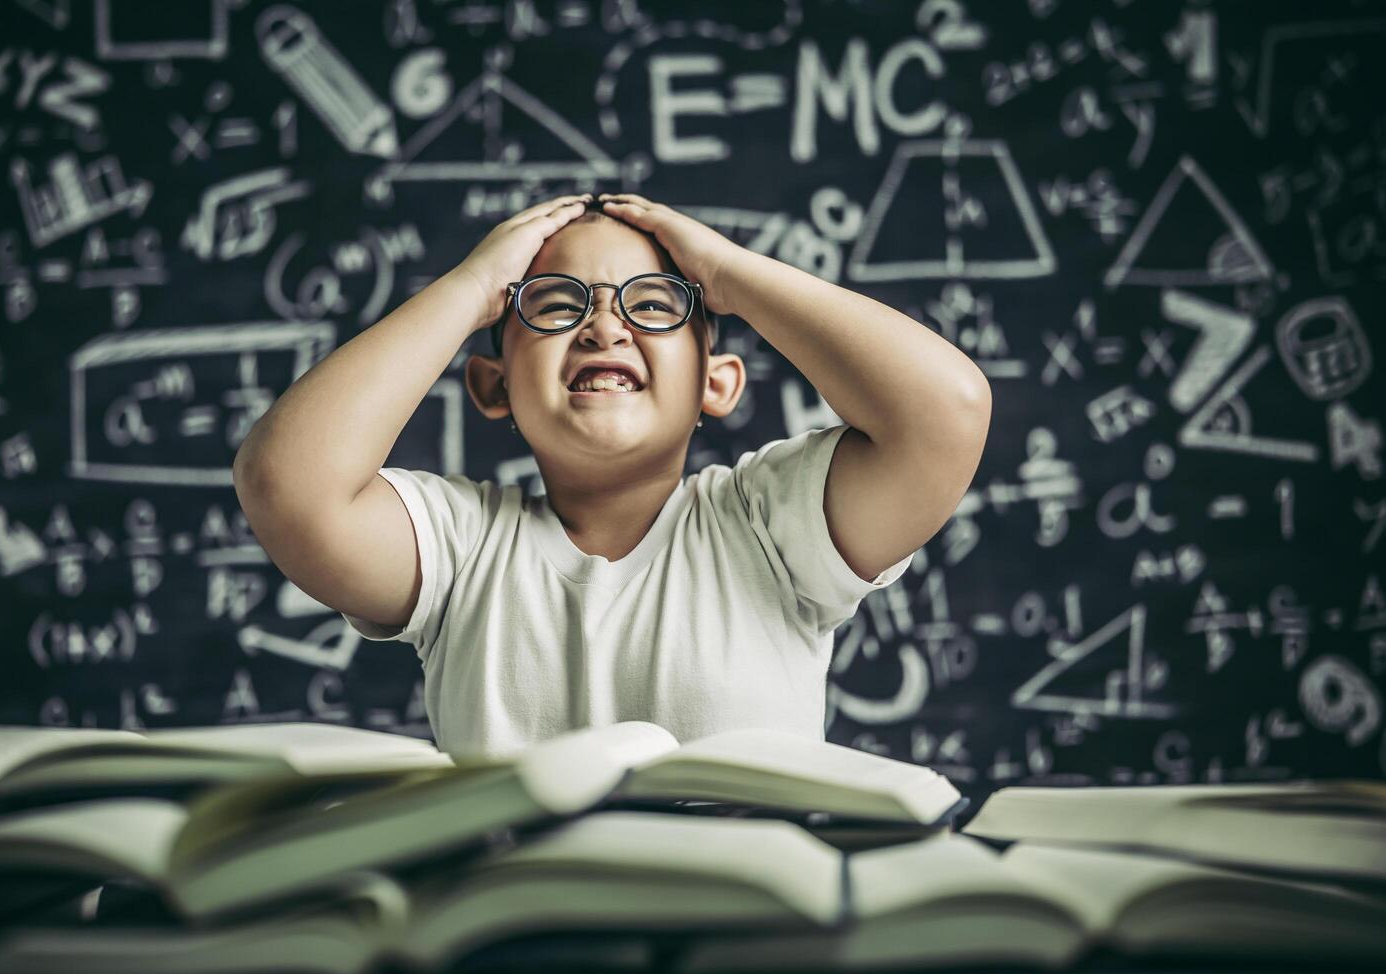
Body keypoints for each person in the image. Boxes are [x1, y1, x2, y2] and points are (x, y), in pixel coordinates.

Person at [232, 191, 991, 761]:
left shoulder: (769, 527)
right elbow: (287, 483)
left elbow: (944, 416)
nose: (604, 325)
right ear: (494, 387)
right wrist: (471, 287)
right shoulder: (462, 549)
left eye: (654, 304)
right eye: (555, 305)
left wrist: (728, 272)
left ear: (715, 385)